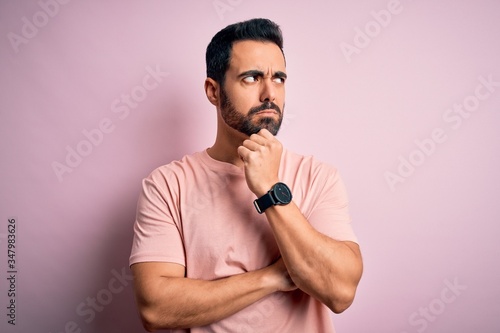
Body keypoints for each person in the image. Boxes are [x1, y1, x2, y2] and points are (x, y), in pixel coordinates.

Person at [129, 18, 363, 332]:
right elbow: (156, 310)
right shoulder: (167, 185)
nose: (270, 93)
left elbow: (340, 291)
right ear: (213, 91)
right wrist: (273, 277)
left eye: (279, 78)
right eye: (252, 77)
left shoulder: (318, 176)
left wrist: (270, 188)